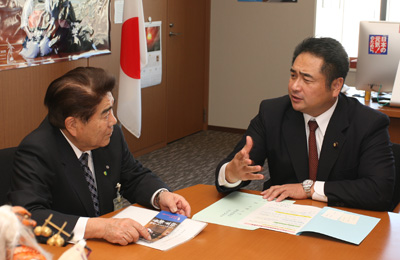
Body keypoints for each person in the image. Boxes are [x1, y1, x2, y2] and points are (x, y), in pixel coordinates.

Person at [9, 67, 191, 246]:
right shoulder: (37, 151)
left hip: (107, 246)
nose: (114, 121)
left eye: (112, 110)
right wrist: (99, 228)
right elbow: (30, 216)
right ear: (73, 125)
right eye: (105, 114)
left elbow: (133, 175)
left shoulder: (110, 136)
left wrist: (160, 196)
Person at [215, 37, 395, 211]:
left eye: (307, 79)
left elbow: (380, 191)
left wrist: (309, 189)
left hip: (341, 217)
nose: (294, 86)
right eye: (293, 75)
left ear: (336, 86)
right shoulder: (272, 113)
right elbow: (236, 166)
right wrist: (231, 172)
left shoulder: (368, 123)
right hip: (283, 218)